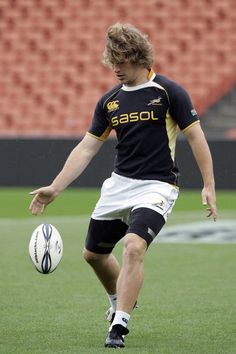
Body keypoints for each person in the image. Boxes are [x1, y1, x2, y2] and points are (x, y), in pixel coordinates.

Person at [29, 23, 217, 349]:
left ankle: (119, 324)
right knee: (93, 254)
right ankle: (118, 297)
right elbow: (87, 147)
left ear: (140, 58)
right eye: (111, 60)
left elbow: (196, 136)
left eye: (122, 60)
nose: (116, 67)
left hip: (157, 186)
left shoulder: (168, 92)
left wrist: (208, 185)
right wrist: (56, 187)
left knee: (133, 246)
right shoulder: (109, 102)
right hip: (119, 185)